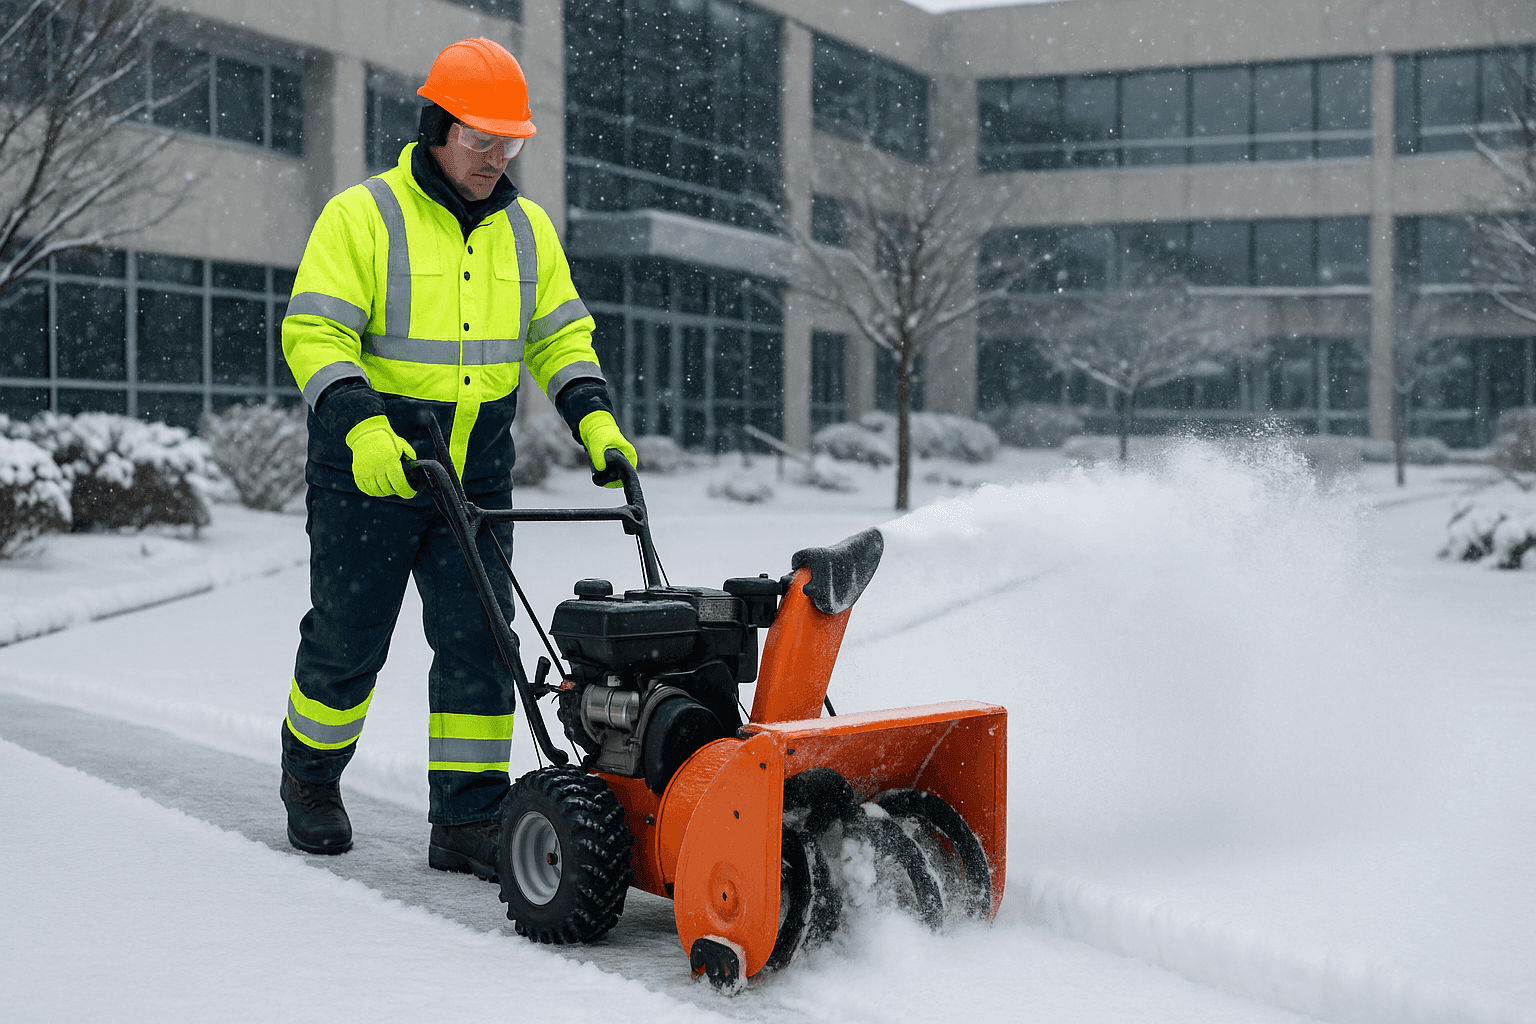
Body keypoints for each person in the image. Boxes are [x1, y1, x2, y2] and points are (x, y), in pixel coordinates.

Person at [276, 37, 636, 880]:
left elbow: (560, 337)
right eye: (482, 139)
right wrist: (364, 430)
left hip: (475, 476)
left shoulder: (527, 230)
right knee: (347, 641)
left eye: (510, 143)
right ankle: (311, 779)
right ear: (437, 127)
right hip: (370, 470)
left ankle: (468, 816)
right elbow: (315, 332)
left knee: (482, 641)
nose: (496, 158)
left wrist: (596, 423)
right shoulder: (364, 215)